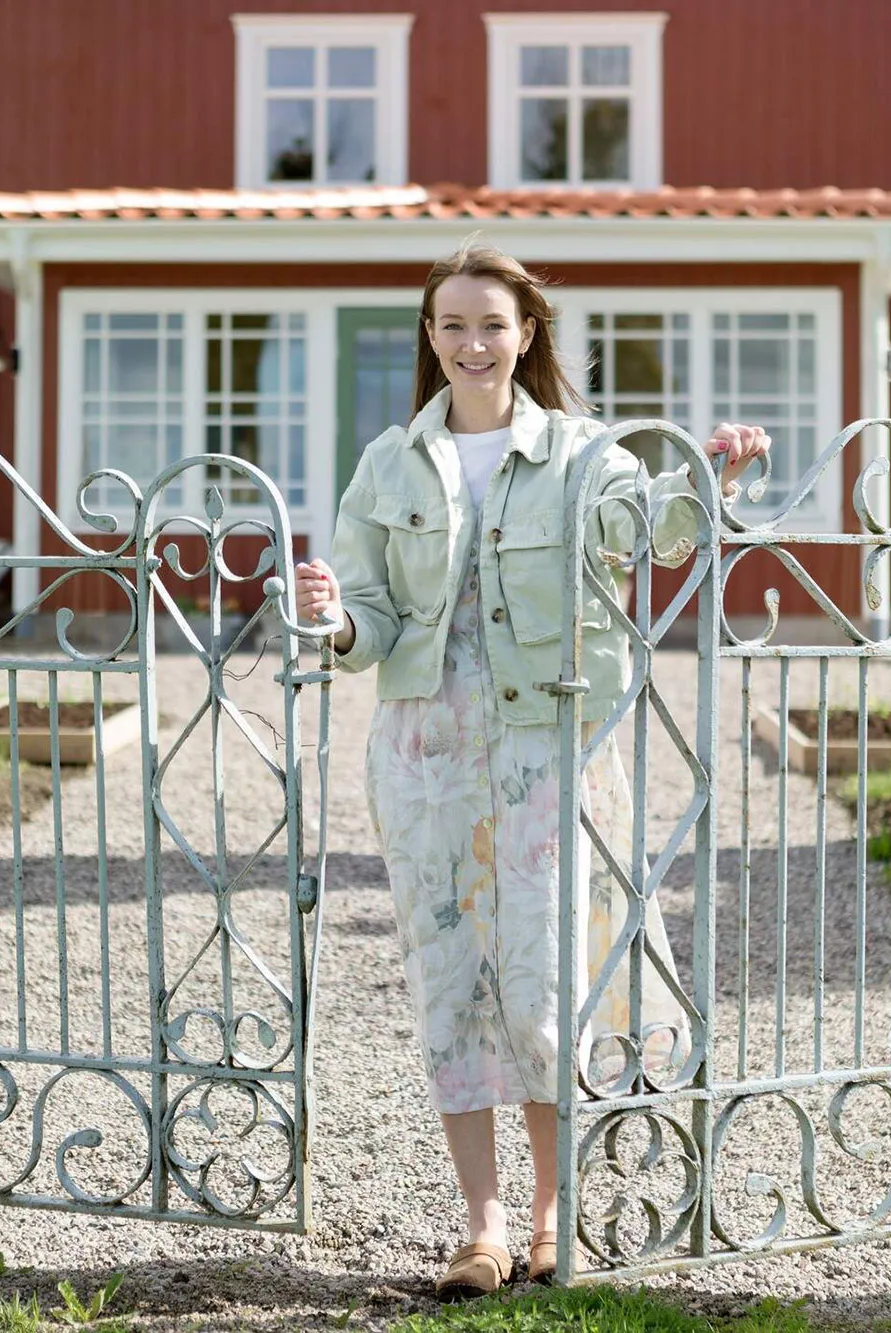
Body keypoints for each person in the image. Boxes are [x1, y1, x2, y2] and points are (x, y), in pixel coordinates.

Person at [296, 242, 770, 1300]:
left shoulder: (585, 453)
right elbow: (368, 623)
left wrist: (709, 473)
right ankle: (482, 1226)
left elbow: (656, 537)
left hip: (546, 745)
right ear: (429, 337)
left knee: (546, 974)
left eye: (491, 324)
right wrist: (332, 619)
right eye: (452, 324)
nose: (472, 342)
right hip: (423, 758)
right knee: (450, 977)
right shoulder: (387, 464)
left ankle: (556, 1219)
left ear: (526, 335)